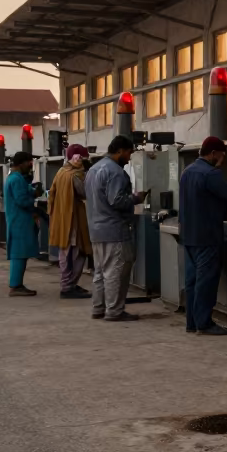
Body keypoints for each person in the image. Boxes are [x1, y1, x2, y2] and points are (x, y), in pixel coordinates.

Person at [179, 136, 227, 335]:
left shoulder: (187, 172)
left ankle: (191, 323)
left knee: (192, 282)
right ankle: (204, 323)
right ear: (213, 153)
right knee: (206, 282)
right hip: (207, 236)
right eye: (221, 156)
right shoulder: (211, 174)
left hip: (188, 236)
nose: (222, 160)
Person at [85, 135, 147, 321]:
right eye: (129, 153)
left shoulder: (93, 170)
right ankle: (114, 311)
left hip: (96, 229)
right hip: (114, 230)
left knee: (100, 272)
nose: (129, 158)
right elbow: (116, 200)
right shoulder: (116, 172)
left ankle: (98, 308)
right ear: (120, 150)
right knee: (115, 272)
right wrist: (136, 198)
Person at [48, 143, 92, 299]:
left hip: (61, 218)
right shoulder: (75, 175)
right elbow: (86, 193)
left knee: (65, 253)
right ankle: (68, 286)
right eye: (83, 158)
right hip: (72, 220)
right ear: (77, 158)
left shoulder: (61, 172)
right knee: (77, 253)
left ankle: (69, 284)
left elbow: (51, 195)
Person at [4, 150, 40, 296]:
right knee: (19, 254)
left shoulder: (15, 178)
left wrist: (31, 191)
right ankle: (16, 286)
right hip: (20, 221)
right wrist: (35, 202)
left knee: (20, 253)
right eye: (28, 162)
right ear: (21, 163)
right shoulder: (17, 179)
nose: (30, 165)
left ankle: (17, 284)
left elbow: (23, 192)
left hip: (17, 220)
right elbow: (21, 200)